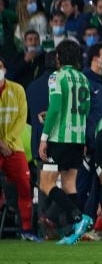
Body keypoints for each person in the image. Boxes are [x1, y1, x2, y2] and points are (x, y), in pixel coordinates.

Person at [38, 40, 94, 245]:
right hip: (78, 138)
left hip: (60, 138)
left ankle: (79, 218)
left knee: (46, 183)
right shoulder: (84, 79)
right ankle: (73, 233)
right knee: (70, 184)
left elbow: (54, 108)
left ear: (59, 58)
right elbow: (85, 109)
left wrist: (44, 138)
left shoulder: (56, 77)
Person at [0, 58, 39, 241]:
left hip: (14, 147)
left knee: (25, 186)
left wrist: (6, 142)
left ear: (5, 69)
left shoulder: (17, 90)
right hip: (6, 146)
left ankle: (26, 230)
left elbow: (21, 119)